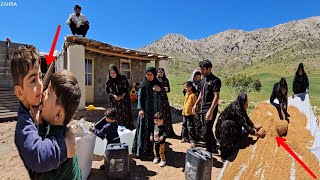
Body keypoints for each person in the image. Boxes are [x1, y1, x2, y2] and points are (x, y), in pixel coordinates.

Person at [11, 45, 76, 179]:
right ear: (19, 92)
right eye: (33, 80)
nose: (41, 85)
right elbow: (37, 156)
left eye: (40, 77)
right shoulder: (24, 126)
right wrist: (64, 146)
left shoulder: (37, 106)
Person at [34, 70, 82, 179]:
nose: (43, 93)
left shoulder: (57, 147)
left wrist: (39, 126)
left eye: (49, 92)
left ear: (58, 115)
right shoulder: (61, 131)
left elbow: (37, 173)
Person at [215, 93, 266, 161]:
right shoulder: (236, 109)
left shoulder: (240, 105)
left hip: (229, 126)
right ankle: (224, 155)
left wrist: (254, 126)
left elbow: (246, 117)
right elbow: (245, 125)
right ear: (243, 102)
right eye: (246, 102)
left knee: (237, 132)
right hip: (223, 130)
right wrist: (258, 134)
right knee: (228, 138)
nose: (247, 104)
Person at [132, 67, 163, 160]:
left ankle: (154, 152)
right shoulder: (143, 85)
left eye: (151, 75)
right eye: (147, 74)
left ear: (154, 75)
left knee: (154, 131)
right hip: (145, 113)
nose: (149, 76)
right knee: (144, 131)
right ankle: (142, 152)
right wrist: (140, 109)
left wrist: (160, 90)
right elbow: (140, 98)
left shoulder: (158, 84)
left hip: (155, 113)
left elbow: (163, 96)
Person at [192, 60, 221, 154]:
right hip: (202, 108)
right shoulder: (203, 80)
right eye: (201, 69)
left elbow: (216, 97)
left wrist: (210, 111)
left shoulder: (216, 81)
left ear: (209, 69)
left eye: (203, 69)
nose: (201, 71)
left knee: (206, 130)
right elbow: (201, 93)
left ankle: (209, 151)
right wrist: (196, 104)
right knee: (206, 129)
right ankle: (214, 146)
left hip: (210, 108)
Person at [105, 64, 133, 130]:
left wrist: (122, 95)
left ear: (116, 72)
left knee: (124, 117)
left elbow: (128, 88)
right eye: (111, 73)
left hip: (124, 102)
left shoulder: (122, 78)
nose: (112, 74)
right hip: (114, 103)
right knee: (115, 116)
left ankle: (126, 132)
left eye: (114, 73)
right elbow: (108, 91)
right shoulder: (109, 81)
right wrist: (113, 95)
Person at [157, 68, 176, 137]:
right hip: (158, 99)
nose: (160, 73)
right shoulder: (156, 80)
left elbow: (169, 89)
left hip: (165, 99)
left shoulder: (166, 80)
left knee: (167, 115)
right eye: (159, 72)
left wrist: (167, 89)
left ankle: (168, 132)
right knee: (159, 115)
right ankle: (160, 132)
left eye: (161, 72)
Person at [181, 81, 197, 147]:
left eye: (186, 87)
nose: (185, 88)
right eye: (185, 87)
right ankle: (185, 137)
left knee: (190, 127)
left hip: (190, 114)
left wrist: (194, 111)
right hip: (185, 113)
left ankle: (192, 141)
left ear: (190, 87)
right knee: (184, 126)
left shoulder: (193, 95)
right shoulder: (187, 94)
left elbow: (195, 104)